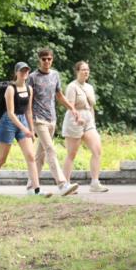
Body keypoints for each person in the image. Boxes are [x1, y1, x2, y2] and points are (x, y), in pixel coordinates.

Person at [0, 61, 51, 196]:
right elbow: (10, 113)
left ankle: (36, 190)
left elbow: (28, 111)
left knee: (31, 157)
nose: (24, 73)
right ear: (16, 73)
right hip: (8, 122)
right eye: (22, 70)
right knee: (2, 158)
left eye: (26, 70)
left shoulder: (29, 89)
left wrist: (31, 130)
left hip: (22, 122)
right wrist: (24, 129)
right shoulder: (10, 89)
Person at [27, 47, 81, 196]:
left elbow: (60, 96)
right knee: (51, 149)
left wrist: (73, 109)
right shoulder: (32, 77)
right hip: (39, 119)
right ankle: (62, 184)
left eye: (49, 59)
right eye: (44, 59)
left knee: (41, 155)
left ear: (52, 60)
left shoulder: (55, 75)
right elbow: (29, 102)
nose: (46, 62)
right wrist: (30, 123)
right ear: (39, 60)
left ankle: (31, 187)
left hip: (52, 119)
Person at [62, 61, 108, 192]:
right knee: (72, 153)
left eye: (87, 69)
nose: (86, 72)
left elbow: (91, 106)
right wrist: (78, 117)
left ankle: (95, 183)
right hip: (74, 121)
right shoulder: (72, 86)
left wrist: (92, 122)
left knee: (97, 150)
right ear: (77, 71)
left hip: (88, 120)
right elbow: (70, 105)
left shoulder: (89, 87)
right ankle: (66, 184)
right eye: (83, 69)